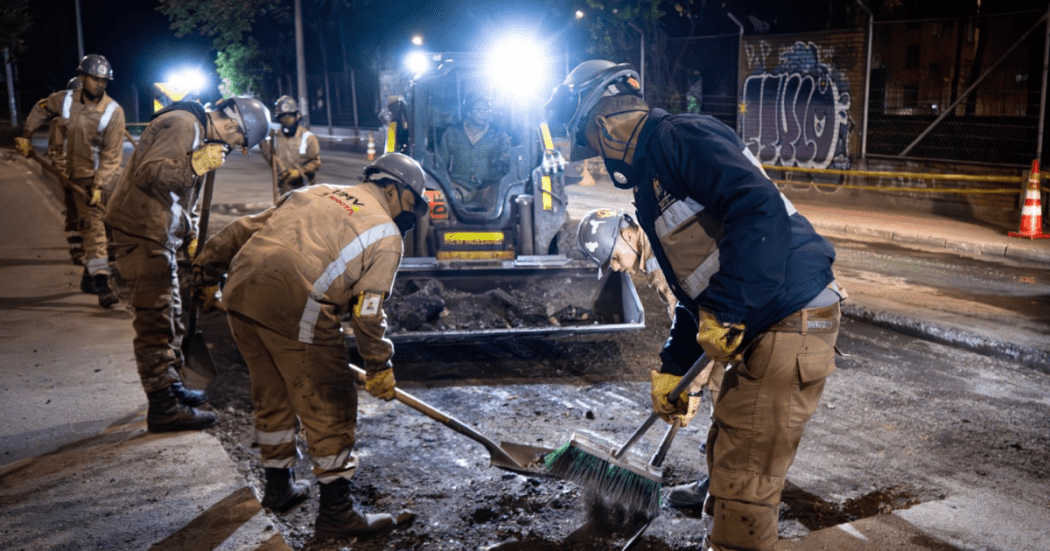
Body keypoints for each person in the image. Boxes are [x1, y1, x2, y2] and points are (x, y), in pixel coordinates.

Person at [549, 60, 845, 551]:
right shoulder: (653, 180)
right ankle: (719, 526)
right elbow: (695, 293)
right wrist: (674, 368)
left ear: (601, 124)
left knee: (746, 477)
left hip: (788, 316)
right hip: (764, 319)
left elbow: (756, 207)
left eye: (593, 147)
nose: (597, 160)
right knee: (728, 440)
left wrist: (728, 309)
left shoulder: (677, 138)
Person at [191, 152, 428, 538]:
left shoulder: (316, 191)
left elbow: (243, 229)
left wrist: (205, 273)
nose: (411, 217)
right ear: (392, 189)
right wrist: (379, 366)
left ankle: (279, 486)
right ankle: (337, 512)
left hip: (241, 295)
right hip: (295, 306)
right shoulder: (385, 234)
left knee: (272, 391)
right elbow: (368, 314)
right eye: (412, 206)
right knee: (330, 400)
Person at [104, 96, 271, 433]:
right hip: (141, 230)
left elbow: (183, 195)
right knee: (156, 319)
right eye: (240, 141)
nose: (237, 146)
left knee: (171, 310)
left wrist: (191, 233)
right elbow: (148, 173)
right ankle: (163, 407)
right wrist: (194, 164)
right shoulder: (183, 125)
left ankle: (171, 385)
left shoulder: (199, 134)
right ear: (231, 124)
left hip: (157, 230)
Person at [15, 55, 125, 307]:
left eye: (104, 80)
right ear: (83, 77)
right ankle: (96, 279)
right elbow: (40, 109)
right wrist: (26, 136)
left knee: (97, 225)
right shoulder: (64, 100)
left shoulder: (113, 112)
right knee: (87, 225)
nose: (100, 84)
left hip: (95, 179)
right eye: (95, 79)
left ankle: (96, 278)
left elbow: (111, 157)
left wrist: (98, 185)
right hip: (68, 175)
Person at [436, 93, 511, 208]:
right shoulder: (452, 133)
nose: (484, 114)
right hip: (458, 185)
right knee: (435, 201)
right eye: (479, 110)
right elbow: (440, 165)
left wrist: (504, 158)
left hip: (489, 188)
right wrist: (446, 186)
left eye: (487, 110)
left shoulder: (500, 137)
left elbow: (507, 166)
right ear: (468, 112)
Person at [259, 95, 321, 195]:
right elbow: (271, 158)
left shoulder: (308, 137)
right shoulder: (275, 137)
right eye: (283, 117)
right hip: (285, 188)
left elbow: (315, 162)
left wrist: (298, 172)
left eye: (290, 117)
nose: (287, 121)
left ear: (297, 116)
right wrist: (263, 141)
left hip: (306, 188)